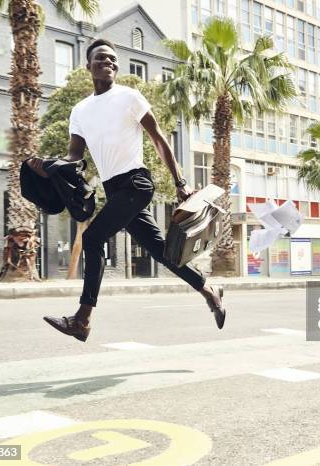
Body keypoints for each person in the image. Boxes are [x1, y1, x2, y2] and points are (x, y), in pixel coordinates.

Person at [28, 39, 225, 342]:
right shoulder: (79, 111)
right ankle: (209, 290)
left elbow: (159, 140)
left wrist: (179, 182)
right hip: (114, 189)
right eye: (101, 59)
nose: (108, 63)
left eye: (113, 60)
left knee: (93, 239)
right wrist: (49, 164)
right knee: (161, 251)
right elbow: (74, 156)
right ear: (88, 66)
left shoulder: (129, 96)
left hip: (136, 183)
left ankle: (82, 319)